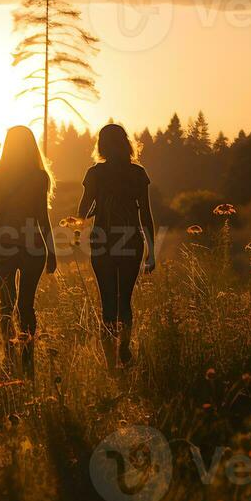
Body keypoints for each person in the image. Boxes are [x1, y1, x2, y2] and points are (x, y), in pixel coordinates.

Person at [77, 123, 156, 369]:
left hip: (103, 241)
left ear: (102, 145)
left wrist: (79, 227)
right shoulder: (137, 173)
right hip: (132, 241)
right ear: (126, 143)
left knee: (108, 301)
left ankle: (110, 361)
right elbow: (146, 215)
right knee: (125, 301)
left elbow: (82, 211)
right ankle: (124, 348)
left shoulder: (95, 174)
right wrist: (152, 252)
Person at [0, 125, 57, 375]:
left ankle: (8, 358)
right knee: (26, 306)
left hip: (3, 242)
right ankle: (27, 362)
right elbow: (42, 216)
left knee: (6, 305)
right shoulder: (39, 177)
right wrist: (52, 251)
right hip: (33, 244)